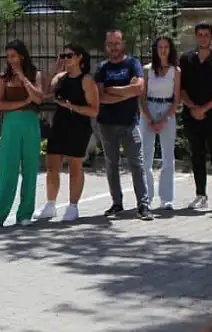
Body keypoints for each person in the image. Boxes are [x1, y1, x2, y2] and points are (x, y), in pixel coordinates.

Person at [33, 43, 98, 224]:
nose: (65, 59)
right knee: (52, 166)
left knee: (75, 167)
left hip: (78, 126)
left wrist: (73, 107)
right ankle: (50, 205)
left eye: (69, 56)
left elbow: (94, 110)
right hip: (60, 124)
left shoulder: (86, 80)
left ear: (79, 58)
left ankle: (73, 206)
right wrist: (55, 69)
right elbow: (45, 94)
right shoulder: (60, 77)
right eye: (63, 55)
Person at [0, 40, 44, 228]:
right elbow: (0, 105)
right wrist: (23, 103)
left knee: (30, 169)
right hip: (11, 124)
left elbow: (38, 98)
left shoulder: (35, 75)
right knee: (7, 170)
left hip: (30, 124)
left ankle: (25, 213)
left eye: (14, 56)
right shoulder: (2, 78)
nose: (10, 60)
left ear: (22, 56)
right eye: (8, 56)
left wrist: (24, 80)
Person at [95, 30, 152, 221]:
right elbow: (100, 97)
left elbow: (139, 89)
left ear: (123, 44)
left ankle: (143, 206)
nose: (113, 47)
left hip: (129, 123)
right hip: (106, 124)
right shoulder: (102, 68)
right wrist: (126, 91)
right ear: (106, 46)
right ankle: (117, 203)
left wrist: (114, 90)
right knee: (112, 165)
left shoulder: (132, 63)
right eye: (110, 44)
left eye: (116, 43)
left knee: (137, 164)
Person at [179, 21, 212, 212]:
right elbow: (181, 88)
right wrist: (194, 107)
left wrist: (205, 108)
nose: (203, 38)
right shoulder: (186, 60)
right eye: (199, 34)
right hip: (192, 116)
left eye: (206, 35)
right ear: (196, 37)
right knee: (197, 155)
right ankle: (200, 195)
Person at [139, 36, 182, 211]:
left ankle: (166, 198)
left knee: (168, 156)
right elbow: (141, 97)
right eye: (160, 47)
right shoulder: (147, 69)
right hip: (149, 108)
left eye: (166, 47)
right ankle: (146, 197)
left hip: (167, 109)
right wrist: (150, 118)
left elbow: (177, 99)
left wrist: (164, 120)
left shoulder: (176, 71)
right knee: (146, 155)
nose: (163, 50)